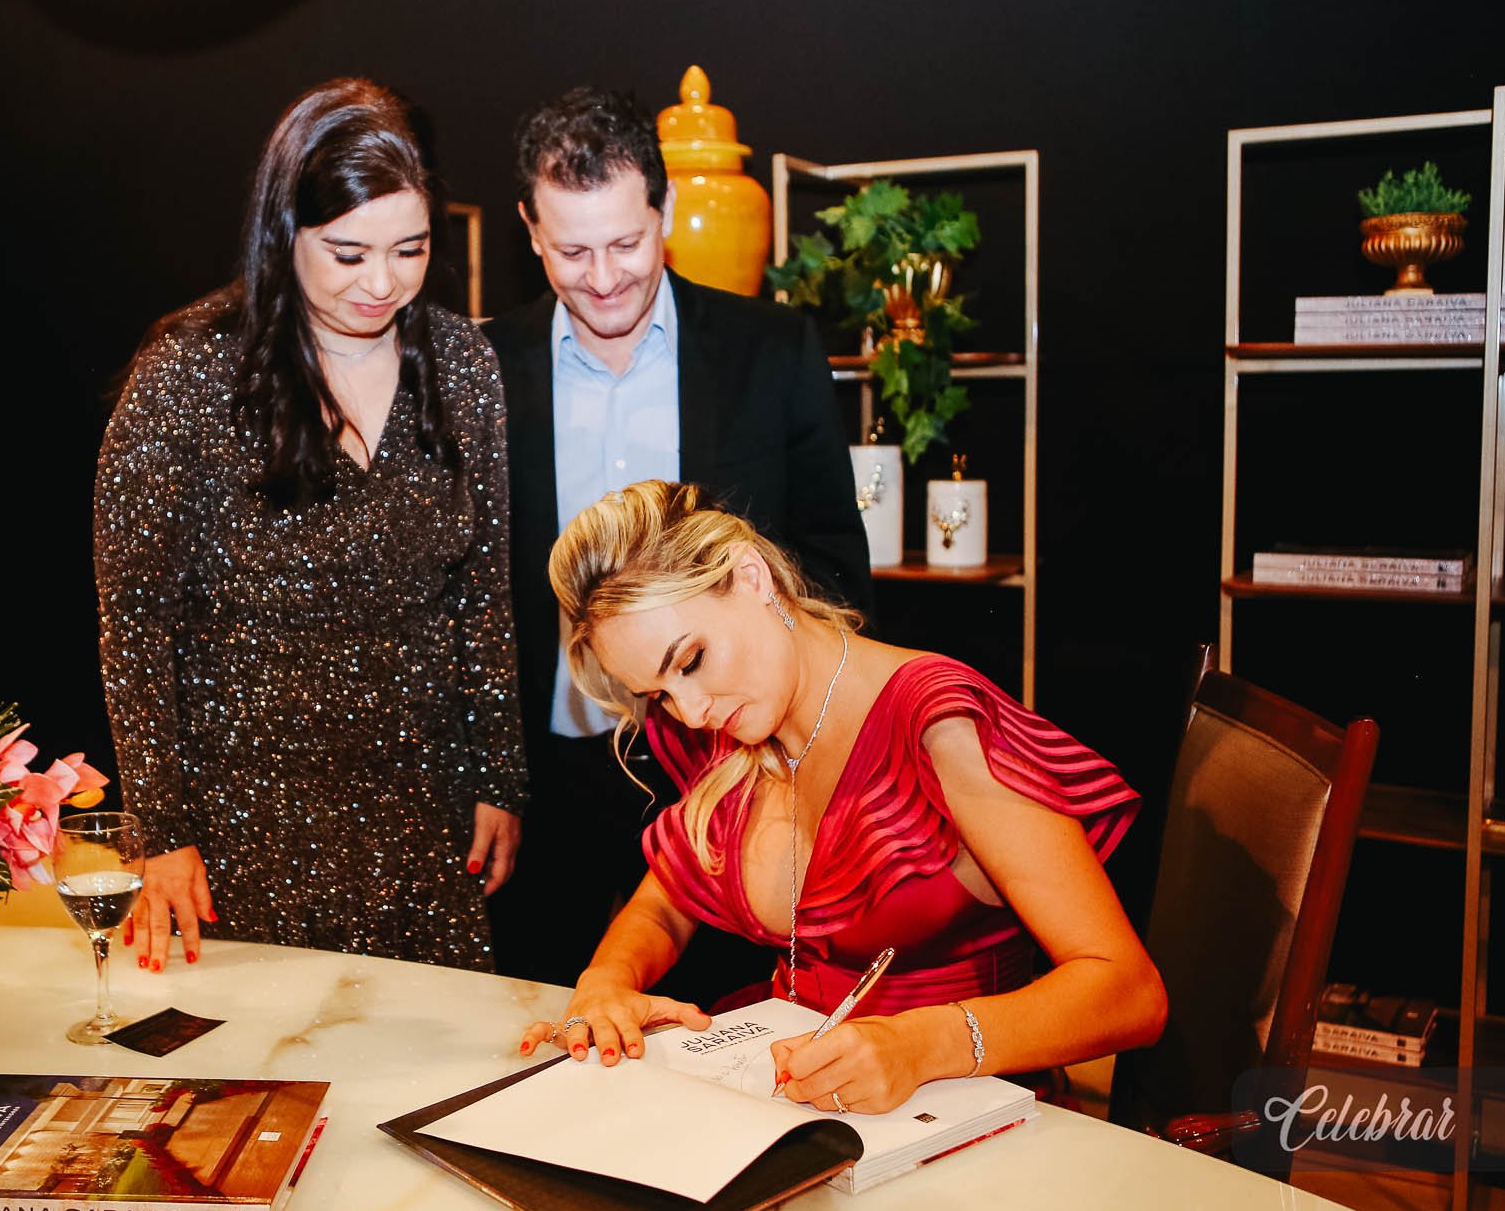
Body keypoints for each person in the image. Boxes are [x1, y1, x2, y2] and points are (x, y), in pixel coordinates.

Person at [517, 481, 1165, 1115]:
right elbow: (663, 904)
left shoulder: (938, 727)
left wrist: (924, 1044)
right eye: (658, 694)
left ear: (750, 576)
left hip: (965, 1114)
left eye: (689, 661)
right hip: (798, 1109)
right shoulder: (731, 727)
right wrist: (606, 982)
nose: (689, 711)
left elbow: (1130, 992)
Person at [94, 77, 527, 973]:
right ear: (284, 230)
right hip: (244, 822)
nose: (383, 282)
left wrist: (500, 775)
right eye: (348, 252)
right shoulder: (188, 375)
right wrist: (160, 830)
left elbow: (482, 592)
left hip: (422, 813)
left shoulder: (463, 364)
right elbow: (135, 625)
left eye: (410, 249)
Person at [482, 87, 873, 995]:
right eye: (572, 251)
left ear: (663, 211)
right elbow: (459, 597)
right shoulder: (484, 366)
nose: (603, 277)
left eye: (625, 242)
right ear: (530, 231)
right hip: (548, 782)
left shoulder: (771, 350)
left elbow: (832, 566)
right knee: (556, 1020)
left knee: (727, 1028)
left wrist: (800, 756)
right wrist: (485, 776)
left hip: (730, 768)